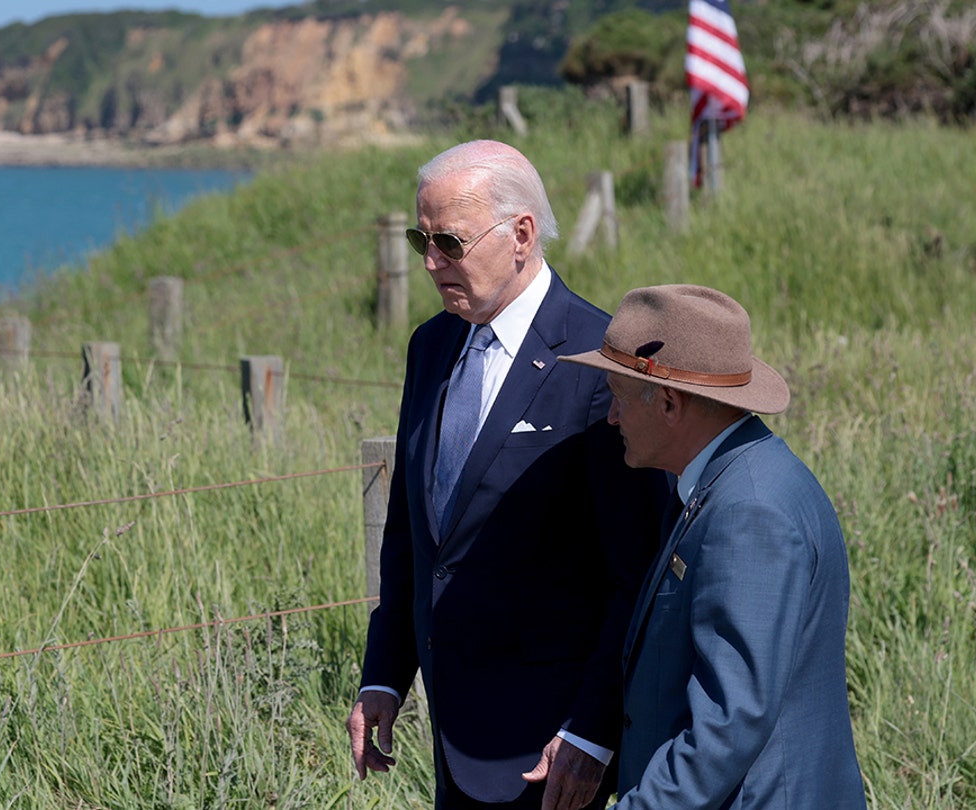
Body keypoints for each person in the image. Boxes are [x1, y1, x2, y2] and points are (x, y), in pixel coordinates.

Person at [346, 139, 666, 809]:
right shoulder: (431, 344)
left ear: (521, 234)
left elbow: (633, 574)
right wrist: (384, 676)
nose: (431, 263)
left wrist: (592, 731)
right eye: (420, 240)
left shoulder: (597, 360)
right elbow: (413, 531)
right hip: (451, 732)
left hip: (551, 754)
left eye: (450, 243)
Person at [559, 284, 868, 809]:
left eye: (618, 395)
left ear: (670, 403)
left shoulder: (749, 512)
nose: (611, 418)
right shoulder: (725, 482)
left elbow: (729, 722)